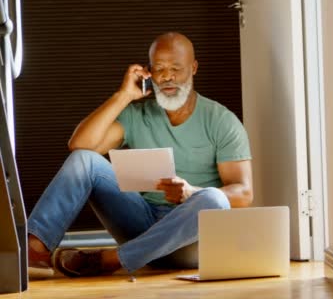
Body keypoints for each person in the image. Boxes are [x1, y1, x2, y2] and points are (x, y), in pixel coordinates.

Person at [27, 32, 253, 277]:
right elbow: (80, 145)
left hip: (190, 239)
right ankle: (32, 252)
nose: (167, 76)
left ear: (194, 67)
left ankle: (110, 260)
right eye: (159, 69)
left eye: (176, 68)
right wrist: (123, 96)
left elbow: (244, 193)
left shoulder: (221, 121)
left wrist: (191, 192)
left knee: (214, 200)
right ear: (149, 73)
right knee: (84, 160)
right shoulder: (138, 114)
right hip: (141, 225)